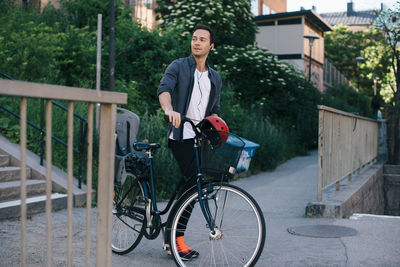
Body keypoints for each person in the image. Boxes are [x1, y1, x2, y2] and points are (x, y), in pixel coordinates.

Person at [157, 24, 222, 260]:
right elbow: (164, 89)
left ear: (211, 46)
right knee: (194, 187)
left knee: (190, 187)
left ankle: (171, 235)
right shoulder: (178, 66)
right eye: (194, 38)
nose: (197, 42)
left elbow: (214, 111)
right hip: (180, 135)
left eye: (202, 39)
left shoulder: (215, 78)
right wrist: (169, 110)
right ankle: (175, 240)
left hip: (199, 140)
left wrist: (218, 131)